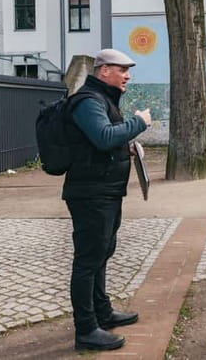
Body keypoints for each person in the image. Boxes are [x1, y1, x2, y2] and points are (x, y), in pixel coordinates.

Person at [63, 48, 152, 351]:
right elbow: (102, 136)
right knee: (88, 260)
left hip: (106, 192)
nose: (128, 75)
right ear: (104, 71)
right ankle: (86, 330)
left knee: (102, 254)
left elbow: (104, 142)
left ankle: (102, 313)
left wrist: (124, 148)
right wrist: (139, 123)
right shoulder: (88, 101)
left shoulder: (102, 100)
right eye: (122, 69)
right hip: (91, 195)